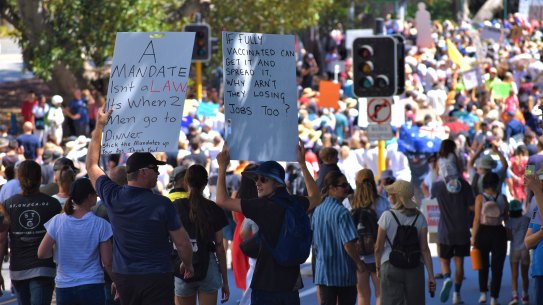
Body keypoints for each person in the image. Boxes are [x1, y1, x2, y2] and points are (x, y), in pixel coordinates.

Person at [86, 107, 194, 305]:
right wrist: (188, 264)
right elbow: (183, 243)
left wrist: (99, 127)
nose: (158, 174)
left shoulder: (112, 196)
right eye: (155, 169)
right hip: (157, 276)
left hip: (124, 277)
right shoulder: (162, 204)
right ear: (143, 172)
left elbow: (92, 165)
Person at [215, 141, 322, 305]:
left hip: (265, 286)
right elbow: (316, 197)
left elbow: (222, 200)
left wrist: (222, 167)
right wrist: (302, 163)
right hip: (290, 285)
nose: (257, 183)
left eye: (263, 179)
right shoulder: (295, 202)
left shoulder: (262, 206)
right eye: (256, 179)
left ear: (278, 182)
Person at [37, 178, 114, 305]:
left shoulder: (57, 221)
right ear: (89, 197)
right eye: (95, 193)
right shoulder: (100, 224)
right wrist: (117, 281)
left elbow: (42, 253)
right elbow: (107, 262)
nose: (97, 196)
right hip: (92, 284)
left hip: (64, 286)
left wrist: (58, 253)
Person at [0, 160, 62, 305]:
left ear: (18, 179)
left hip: (18, 269)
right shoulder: (52, 204)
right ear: (40, 178)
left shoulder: (8, 205)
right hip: (44, 268)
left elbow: (2, 240)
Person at [172, 164, 229, 305]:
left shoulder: (175, 206)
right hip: (208, 266)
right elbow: (220, 247)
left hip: (182, 264)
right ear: (206, 183)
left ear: (185, 181)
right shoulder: (213, 208)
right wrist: (225, 281)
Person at [374, 180, 436, 305]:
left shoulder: (387, 216)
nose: (389, 196)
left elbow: (378, 247)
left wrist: (378, 267)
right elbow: (424, 249)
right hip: (414, 266)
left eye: (391, 194)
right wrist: (431, 275)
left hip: (390, 264)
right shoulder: (420, 217)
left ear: (397, 197)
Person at [312, 170, 364, 305]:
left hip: (323, 273)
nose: (347, 188)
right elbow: (348, 244)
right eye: (343, 185)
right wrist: (359, 262)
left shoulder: (318, 210)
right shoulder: (342, 213)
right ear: (332, 188)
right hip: (343, 274)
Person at [430, 168, 474, 304]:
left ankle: (447, 278)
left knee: (444, 260)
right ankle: (456, 294)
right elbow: (472, 206)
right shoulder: (465, 185)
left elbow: (431, 199)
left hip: (445, 231)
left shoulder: (438, 186)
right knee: (459, 263)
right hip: (462, 230)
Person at [350, 169, 390, 305]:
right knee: (381, 294)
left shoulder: (349, 203)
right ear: (373, 182)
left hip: (357, 256)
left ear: (356, 183)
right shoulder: (383, 203)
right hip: (378, 255)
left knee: (362, 295)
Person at [471, 172, 509, 305]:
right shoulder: (503, 198)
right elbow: (506, 217)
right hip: (499, 232)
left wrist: (473, 237)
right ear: (497, 184)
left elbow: (476, 219)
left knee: (483, 265)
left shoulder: (480, 198)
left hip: (483, 231)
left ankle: (482, 294)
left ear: (484, 184)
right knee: (497, 267)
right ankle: (494, 298)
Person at [505, 200, 531, 305]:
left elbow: (509, 237)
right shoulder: (526, 219)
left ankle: (515, 295)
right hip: (525, 249)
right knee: (525, 275)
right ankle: (524, 296)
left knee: (514, 274)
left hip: (514, 249)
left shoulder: (509, 221)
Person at [524, 173, 543, 305]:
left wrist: (536, 190)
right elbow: (527, 242)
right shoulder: (536, 209)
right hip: (539, 270)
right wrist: (540, 235)